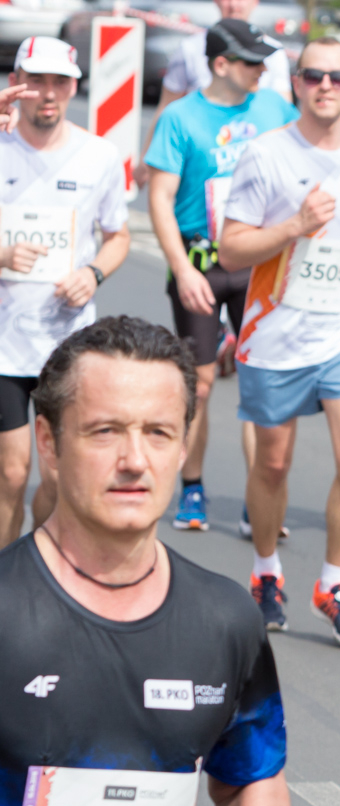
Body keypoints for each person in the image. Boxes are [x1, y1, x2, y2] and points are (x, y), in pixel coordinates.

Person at [0, 315, 297, 806]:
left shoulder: (224, 618)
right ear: (48, 442)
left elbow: (250, 775)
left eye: (160, 433)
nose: (134, 458)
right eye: (104, 430)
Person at [218, 37, 340, 648]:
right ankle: (266, 573)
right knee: (272, 462)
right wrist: (295, 225)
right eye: (313, 75)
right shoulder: (265, 155)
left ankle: (333, 586)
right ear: (296, 83)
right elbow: (231, 248)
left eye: (338, 77)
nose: (326, 85)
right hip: (275, 331)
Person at [145, 20, 298, 534]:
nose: (262, 70)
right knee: (201, 383)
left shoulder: (274, 108)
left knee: (262, 380)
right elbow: (160, 199)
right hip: (202, 264)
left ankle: (261, 494)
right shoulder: (181, 117)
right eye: (252, 62)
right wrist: (183, 268)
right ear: (220, 65)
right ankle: (191, 486)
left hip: (261, 263)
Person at [0, 38, 130, 546]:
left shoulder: (98, 155)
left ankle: (38, 565)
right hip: (5, 344)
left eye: (60, 82)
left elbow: (118, 236)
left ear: (74, 86)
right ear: (18, 85)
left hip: (67, 341)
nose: (48, 95)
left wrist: (93, 273)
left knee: (58, 477)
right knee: (12, 473)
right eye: (38, 82)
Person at [136, 0, 295, 189]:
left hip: (254, 163)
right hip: (204, 161)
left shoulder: (273, 52)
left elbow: (285, 118)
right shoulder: (190, 48)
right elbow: (166, 107)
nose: (235, 5)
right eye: (251, 62)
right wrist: (148, 157)